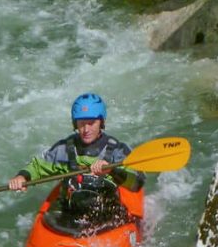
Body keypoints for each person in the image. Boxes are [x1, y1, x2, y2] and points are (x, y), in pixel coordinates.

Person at [8, 93, 144, 228]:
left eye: (91, 123)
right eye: (81, 123)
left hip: (106, 215)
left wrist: (112, 171)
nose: (86, 129)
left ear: (101, 122)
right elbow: (37, 166)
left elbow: (137, 182)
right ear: (75, 123)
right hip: (71, 214)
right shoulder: (64, 149)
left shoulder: (117, 150)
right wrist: (22, 176)